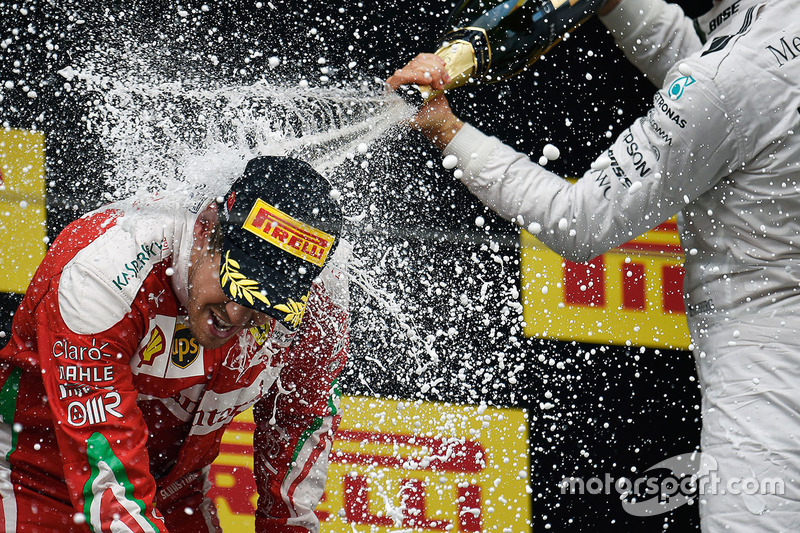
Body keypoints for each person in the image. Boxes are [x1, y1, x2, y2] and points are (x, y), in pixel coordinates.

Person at [388, 0, 800, 530]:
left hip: (768, 364)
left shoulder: (727, 82)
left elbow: (576, 221)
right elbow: (726, 91)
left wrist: (446, 129)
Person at [0, 156, 350, 532]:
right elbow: (111, 484)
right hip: (35, 481)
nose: (236, 314)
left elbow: (298, 420)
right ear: (205, 227)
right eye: (235, 282)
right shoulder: (103, 273)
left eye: (265, 302)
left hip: (177, 497)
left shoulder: (318, 297)